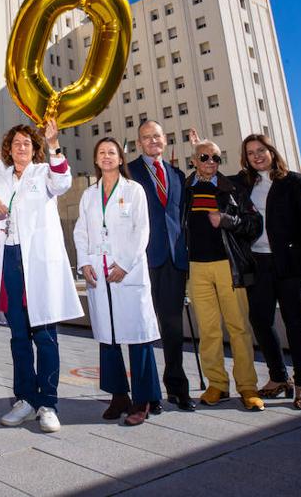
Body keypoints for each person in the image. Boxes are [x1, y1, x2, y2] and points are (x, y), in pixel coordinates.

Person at [0, 119, 81, 434]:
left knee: (46, 336)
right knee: (19, 336)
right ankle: (25, 399)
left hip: (36, 261)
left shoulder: (43, 173)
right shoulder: (0, 177)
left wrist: (53, 146)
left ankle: (48, 403)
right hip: (8, 256)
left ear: (34, 150)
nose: (21, 147)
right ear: (8, 148)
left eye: (27, 143)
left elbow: (62, 182)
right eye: (16, 142)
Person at [74, 137, 160, 426]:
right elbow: (81, 231)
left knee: (137, 337)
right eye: (102, 153)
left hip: (128, 272)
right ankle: (118, 396)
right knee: (108, 337)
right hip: (99, 273)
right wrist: (85, 262)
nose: (107, 157)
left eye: (112, 152)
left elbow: (142, 231)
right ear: (96, 160)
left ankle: (143, 399)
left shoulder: (133, 190)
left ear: (120, 158)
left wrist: (124, 264)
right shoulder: (89, 194)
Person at [236, 134, 301, 412]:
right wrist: (202, 149)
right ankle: (278, 377)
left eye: (261, 150)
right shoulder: (245, 184)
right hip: (258, 263)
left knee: (296, 321)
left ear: (272, 151)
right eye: (250, 153)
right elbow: (213, 177)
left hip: (292, 264)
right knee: (260, 320)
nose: (257, 156)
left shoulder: (294, 182)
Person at [183, 142, 265, 412]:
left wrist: (227, 220)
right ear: (194, 160)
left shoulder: (232, 188)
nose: (210, 162)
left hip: (228, 267)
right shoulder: (185, 189)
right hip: (197, 268)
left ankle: (247, 387)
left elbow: (254, 225)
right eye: (204, 157)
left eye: (216, 158)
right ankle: (217, 384)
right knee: (208, 330)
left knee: (239, 328)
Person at [127, 121, 193, 412]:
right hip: (141, 258)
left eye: (156, 136)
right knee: (142, 327)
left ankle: (177, 388)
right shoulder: (129, 171)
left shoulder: (177, 175)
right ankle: (147, 393)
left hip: (174, 258)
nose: (152, 141)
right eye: (146, 137)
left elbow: (181, 216)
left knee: (172, 326)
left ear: (164, 140)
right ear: (139, 143)